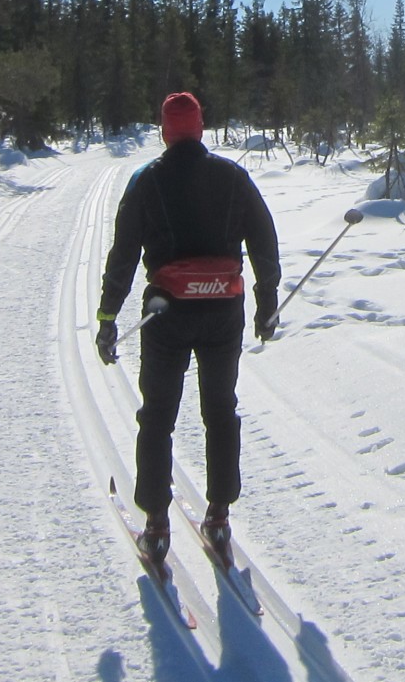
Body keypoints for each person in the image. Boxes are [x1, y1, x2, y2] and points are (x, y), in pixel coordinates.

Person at [96, 92, 279, 565]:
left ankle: (156, 525)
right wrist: (267, 301)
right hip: (224, 313)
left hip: (167, 314)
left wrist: (107, 317)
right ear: (200, 127)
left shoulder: (146, 181)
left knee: (157, 415)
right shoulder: (233, 177)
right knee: (221, 410)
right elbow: (263, 237)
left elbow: (123, 255)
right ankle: (218, 516)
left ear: (164, 130)